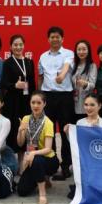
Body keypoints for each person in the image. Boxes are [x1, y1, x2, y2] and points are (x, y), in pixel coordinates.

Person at [36, 26, 74, 180]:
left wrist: (62, 76)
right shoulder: (43, 56)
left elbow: (66, 66)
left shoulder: (68, 53)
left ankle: (66, 166)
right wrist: (39, 96)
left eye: (58, 37)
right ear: (48, 39)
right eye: (52, 37)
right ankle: (50, 165)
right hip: (48, 97)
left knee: (66, 132)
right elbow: (40, 76)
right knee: (48, 132)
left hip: (65, 97)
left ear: (62, 39)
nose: (55, 39)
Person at [17, 92, 59, 204]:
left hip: (49, 160)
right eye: (33, 102)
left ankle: (42, 194)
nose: (35, 105)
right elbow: (20, 143)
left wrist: (33, 153)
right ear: (30, 104)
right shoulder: (25, 119)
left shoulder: (48, 122)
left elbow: (48, 149)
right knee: (22, 191)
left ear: (44, 104)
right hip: (32, 159)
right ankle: (43, 178)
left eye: (39, 103)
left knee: (37, 160)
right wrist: (20, 131)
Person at [1, 34, 36, 161]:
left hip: (26, 101)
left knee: (26, 129)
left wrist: (34, 101)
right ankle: (11, 161)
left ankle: (23, 161)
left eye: (20, 44)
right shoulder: (7, 63)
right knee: (14, 130)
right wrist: (15, 85)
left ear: (24, 46)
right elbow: (3, 83)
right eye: (15, 45)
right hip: (12, 102)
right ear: (10, 47)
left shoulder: (29, 62)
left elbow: (32, 83)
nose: (18, 47)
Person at [71, 40, 97, 123]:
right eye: (79, 49)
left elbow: (92, 85)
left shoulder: (92, 66)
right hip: (73, 102)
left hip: (86, 103)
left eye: (84, 49)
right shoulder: (73, 65)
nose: (81, 52)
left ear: (88, 51)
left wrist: (85, 84)